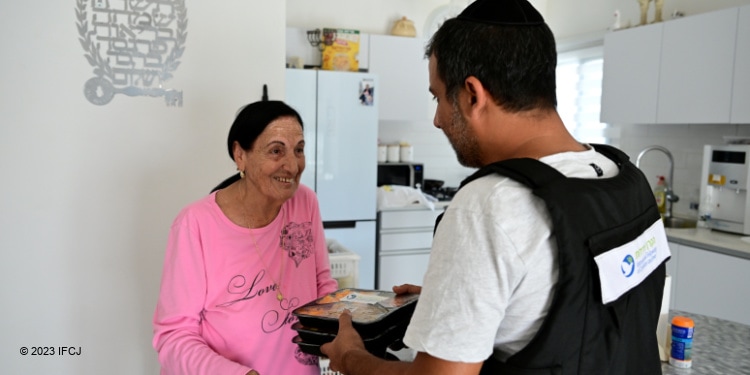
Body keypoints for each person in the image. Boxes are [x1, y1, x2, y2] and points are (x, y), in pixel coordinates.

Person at [320, 0, 669, 374]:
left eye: (437, 97)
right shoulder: (627, 179)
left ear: (472, 94)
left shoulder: (489, 204)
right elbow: (593, 316)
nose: (437, 119)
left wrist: (350, 357)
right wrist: (458, 305)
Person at [153, 100, 339, 375]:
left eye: (299, 150)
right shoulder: (195, 224)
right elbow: (174, 335)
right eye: (276, 151)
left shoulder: (304, 202)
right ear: (240, 155)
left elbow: (321, 283)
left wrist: (347, 333)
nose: (292, 165)